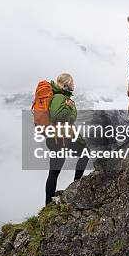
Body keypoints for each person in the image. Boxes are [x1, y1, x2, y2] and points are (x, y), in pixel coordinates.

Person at [44, 73, 89, 206]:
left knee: (54, 171)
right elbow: (56, 115)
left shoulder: (62, 97)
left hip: (61, 138)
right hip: (59, 138)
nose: (73, 84)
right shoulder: (58, 97)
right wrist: (69, 107)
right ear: (66, 84)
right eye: (72, 82)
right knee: (55, 171)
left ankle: (50, 202)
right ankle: (75, 185)